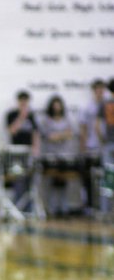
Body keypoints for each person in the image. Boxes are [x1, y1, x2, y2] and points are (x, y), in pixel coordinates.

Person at [39, 95, 79, 216]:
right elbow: (49, 137)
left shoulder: (67, 119)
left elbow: (70, 133)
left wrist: (58, 135)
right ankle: (52, 208)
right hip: (51, 155)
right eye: (54, 105)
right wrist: (61, 135)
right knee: (52, 181)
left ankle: (64, 207)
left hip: (64, 154)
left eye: (59, 105)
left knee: (64, 181)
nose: (57, 107)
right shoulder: (46, 120)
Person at [5, 91, 40, 210]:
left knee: (30, 179)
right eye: (22, 101)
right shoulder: (12, 114)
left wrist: (36, 148)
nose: (24, 103)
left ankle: (29, 207)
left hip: (28, 152)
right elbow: (12, 131)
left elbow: (35, 132)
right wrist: (21, 117)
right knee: (18, 178)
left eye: (26, 101)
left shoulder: (32, 115)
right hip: (16, 152)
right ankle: (18, 206)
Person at [79, 79, 106, 210]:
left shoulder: (108, 105)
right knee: (90, 177)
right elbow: (83, 127)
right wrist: (83, 146)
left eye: (102, 90)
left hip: (106, 147)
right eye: (98, 90)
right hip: (92, 146)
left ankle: (105, 205)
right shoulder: (88, 107)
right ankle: (90, 205)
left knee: (106, 176)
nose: (100, 93)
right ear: (94, 91)